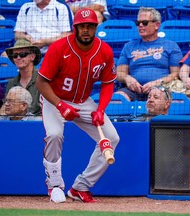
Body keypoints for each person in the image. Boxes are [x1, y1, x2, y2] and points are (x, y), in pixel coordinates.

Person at [36, 8, 119, 203]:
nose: (85, 30)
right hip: (54, 99)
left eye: (90, 26)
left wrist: (100, 109)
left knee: (112, 138)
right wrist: (60, 105)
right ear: (75, 28)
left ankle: (80, 187)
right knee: (55, 135)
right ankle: (54, 185)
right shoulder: (58, 48)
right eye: (82, 26)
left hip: (83, 101)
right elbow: (41, 83)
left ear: (95, 27)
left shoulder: (104, 50)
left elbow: (108, 82)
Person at [116, 7, 183, 102]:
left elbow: (176, 74)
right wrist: (127, 78)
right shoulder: (129, 46)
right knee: (116, 100)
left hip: (161, 90)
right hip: (134, 91)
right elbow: (119, 73)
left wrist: (157, 83)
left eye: (145, 23)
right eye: (138, 23)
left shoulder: (170, 45)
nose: (140, 25)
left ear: (157, 25)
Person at [0, 39, 42, 115]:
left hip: (38, 123)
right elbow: (4, 109)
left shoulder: (43, 80)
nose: (18, 58)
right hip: (16, 123)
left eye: (22, 54)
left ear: (32, 57)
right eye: (15, 55)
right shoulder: (11, 83)